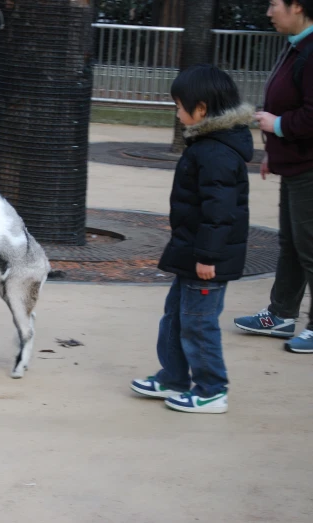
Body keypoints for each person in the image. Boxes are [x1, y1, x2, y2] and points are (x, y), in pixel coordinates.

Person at [131, 64, 254, 414]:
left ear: (201, 109)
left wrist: (208, 257)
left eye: (179, 105)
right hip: (193, 253)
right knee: (175, 316)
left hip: (207, 260)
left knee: (198, 324)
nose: (176, 111)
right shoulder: (207, 144)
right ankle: (173, 377)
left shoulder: (215, 152)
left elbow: (220, 213)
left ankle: (212, 390)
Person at [233, 0, 313, 354]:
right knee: (292, 245)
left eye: (274, 4)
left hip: (310, 169)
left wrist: (277, 125)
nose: (268, 12)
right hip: (295, 163)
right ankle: (281, 314)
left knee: (309, 248)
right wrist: (274, 152)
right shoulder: (297, 47)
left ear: (297, 6)